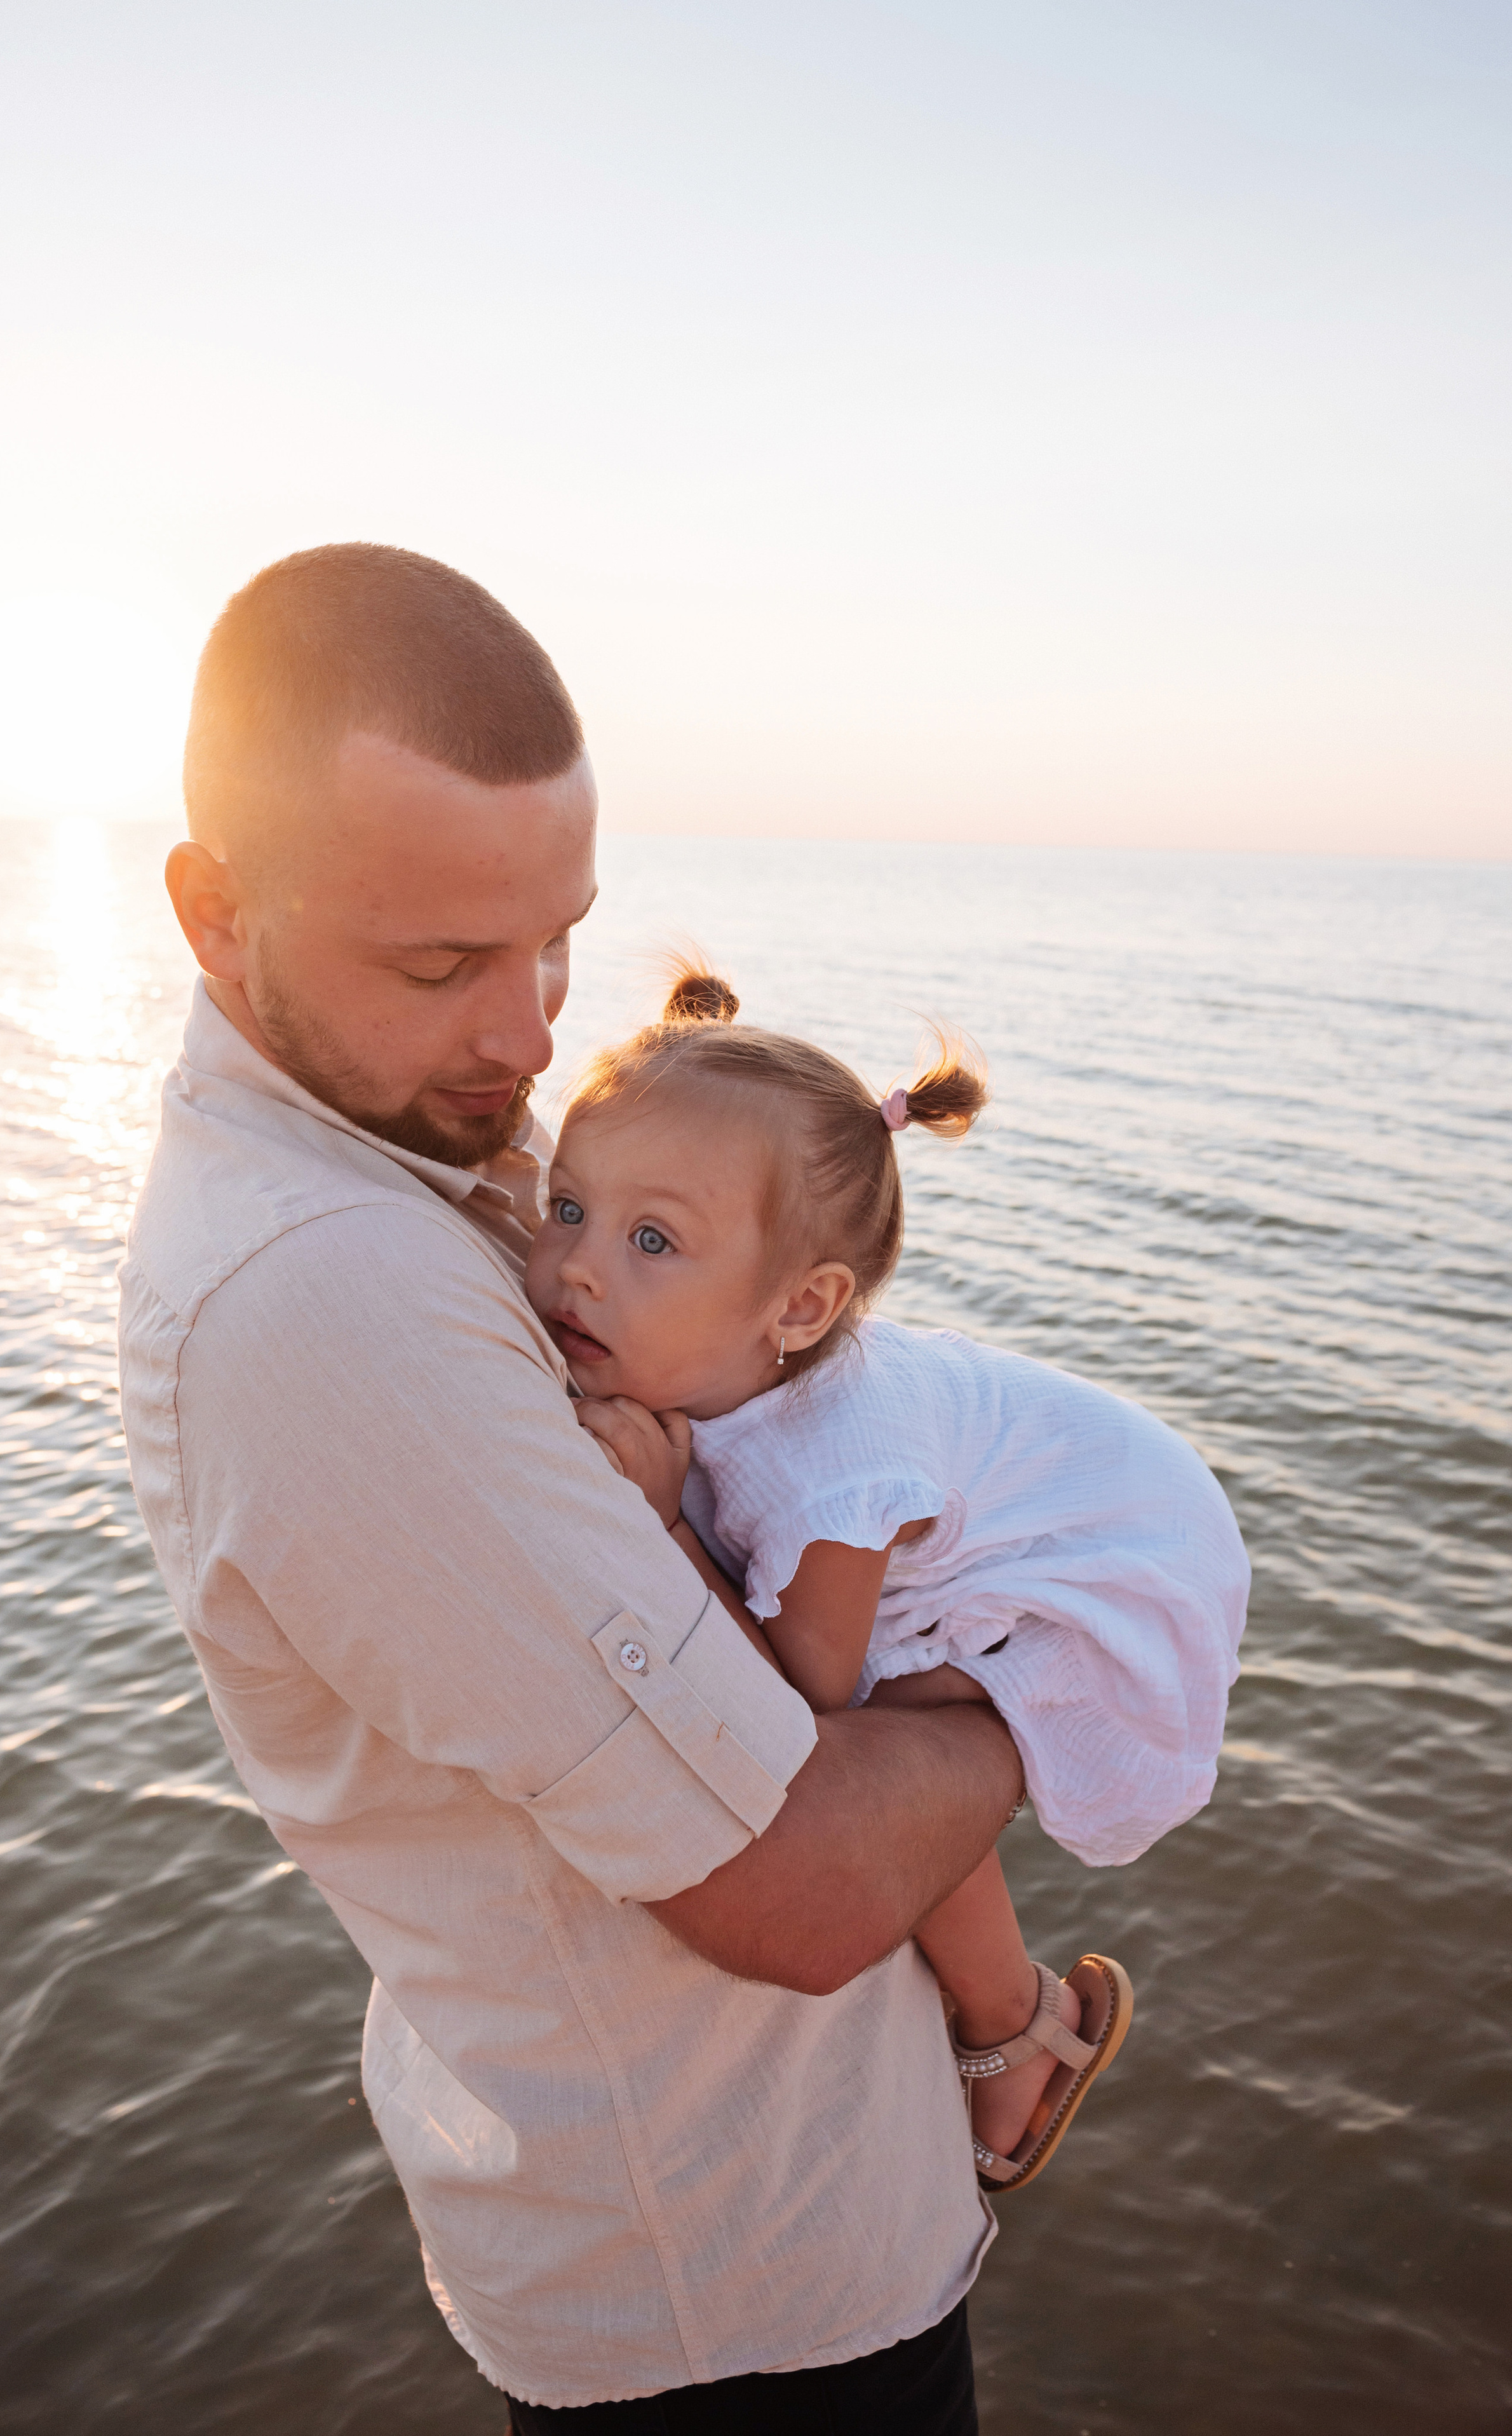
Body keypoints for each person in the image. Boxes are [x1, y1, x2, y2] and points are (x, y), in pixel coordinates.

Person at [119, 543, 1023, 2430]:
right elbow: (792, 1891)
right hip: (736, 2306)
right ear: (216, 910)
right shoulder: (327, 1296)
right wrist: (1047, 1688)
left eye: (553, 940)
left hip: (782, 2242)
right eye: (444, 962)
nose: (532, 1036)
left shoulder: (430, 1145)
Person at [525, 969, 1251, 2192]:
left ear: (800, 1309)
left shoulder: (826, 1475)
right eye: (566, 1208)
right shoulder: (727, 1366)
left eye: (652, 1240)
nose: (578, 1269)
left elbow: (808, 1699)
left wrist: (665, 1522)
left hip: (1122, 1551)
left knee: (891, 1747)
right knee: (891, 1731)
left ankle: (1018, 2027)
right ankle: (1013, 2009)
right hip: (1037, 1493)